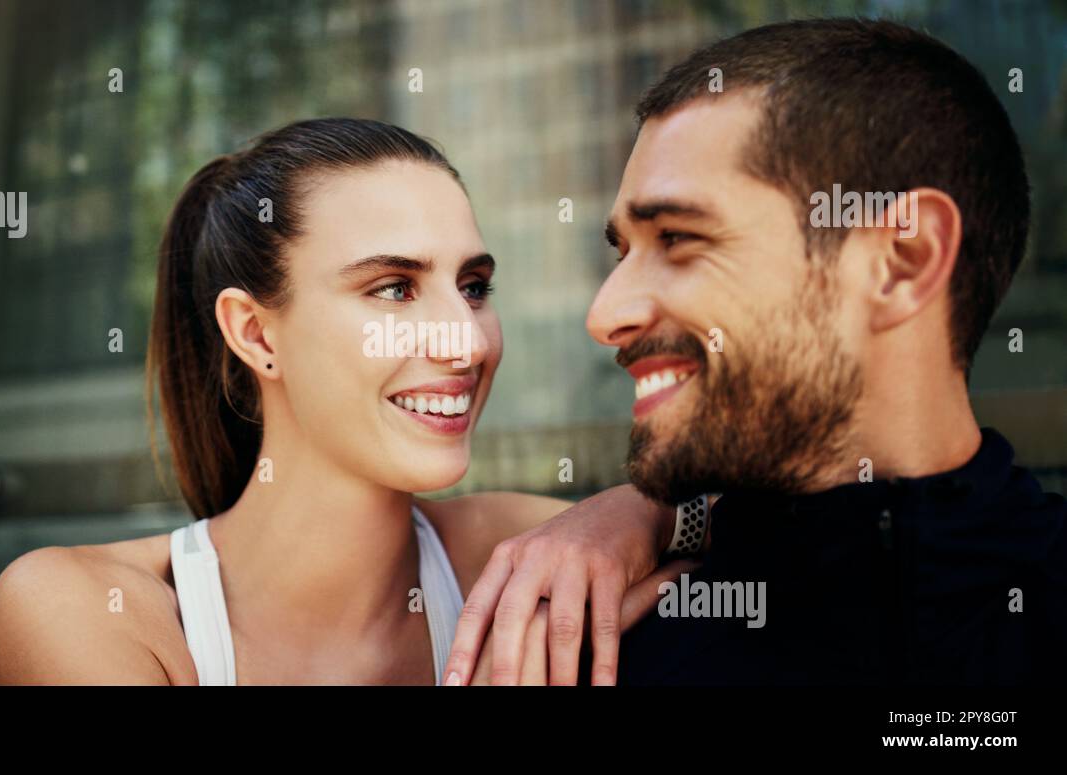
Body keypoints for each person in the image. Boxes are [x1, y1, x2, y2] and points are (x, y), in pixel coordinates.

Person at [444, 18, 1067, 686]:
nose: (605, 316)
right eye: (622, 252)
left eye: (679, 238)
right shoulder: (591, 652)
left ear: (902, 262)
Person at [0, 118, 687, 685]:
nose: (467, 342)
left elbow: (771, 523)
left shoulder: (513, 552)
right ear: (256, 333)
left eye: (472, 287)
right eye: (393, 288)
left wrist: (639, 512)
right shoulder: (83, 606)